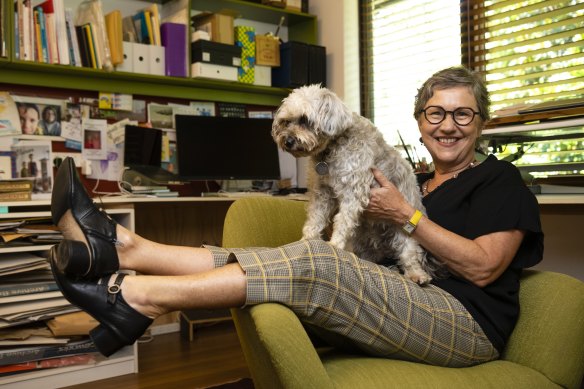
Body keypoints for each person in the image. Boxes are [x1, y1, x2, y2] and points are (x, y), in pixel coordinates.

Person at [49, 67, 543, 367]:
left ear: (482, 122)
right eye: (436, 114)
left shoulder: (500, 180)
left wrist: (408, 216)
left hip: (462, 325)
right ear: (419, 121)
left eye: (464, 115)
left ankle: (139, 295)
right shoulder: (414, 176)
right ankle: (127, 248)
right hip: (395, 297)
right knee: (281, 256)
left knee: (320, 259)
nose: (449, 126)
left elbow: (483, 266)